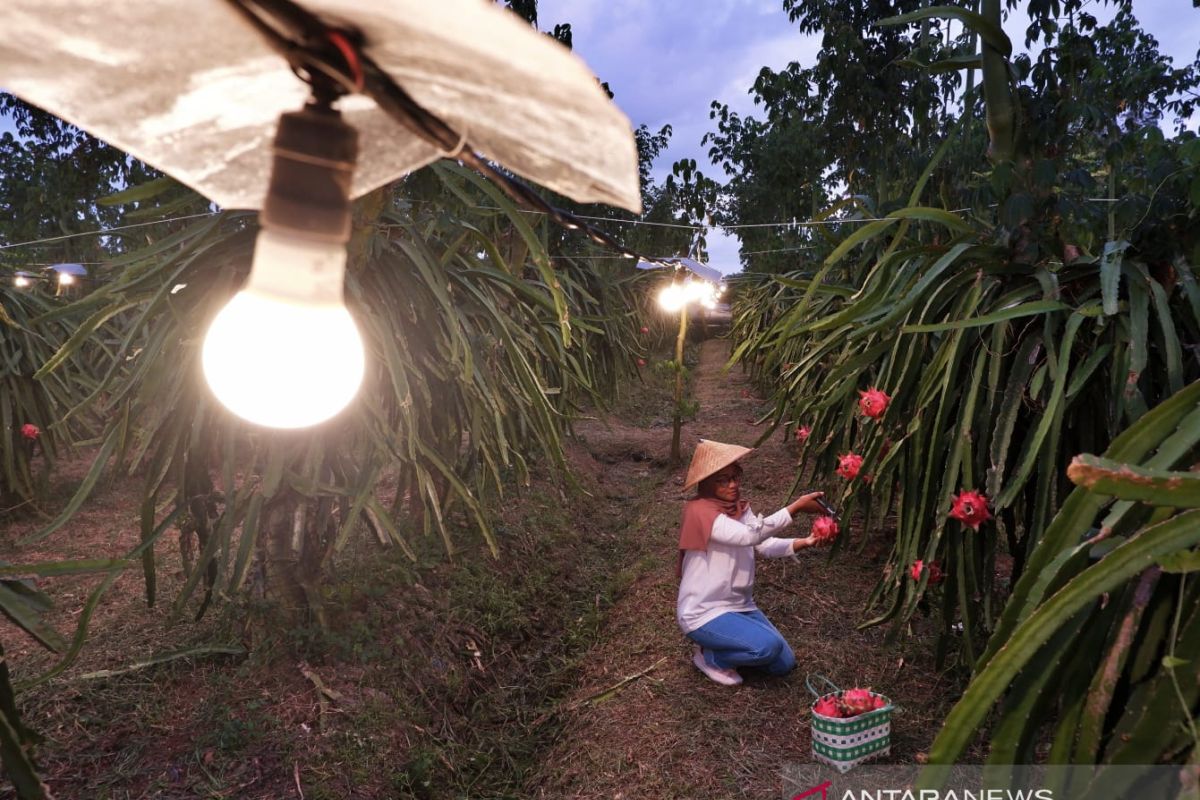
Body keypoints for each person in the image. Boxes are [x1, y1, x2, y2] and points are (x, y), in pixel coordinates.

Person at [676, 439, 828, 686]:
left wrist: (806, 541)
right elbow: (748, 536)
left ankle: (734, 645)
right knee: (767, 648)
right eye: (723, 480)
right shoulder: (700, 511)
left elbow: (763, 545)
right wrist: (795, 508)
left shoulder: (737, 508)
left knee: (784, 664)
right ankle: (711, 657)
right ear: (706, 483)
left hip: (740, 605)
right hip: (704, 612)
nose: (733, 485)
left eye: (735, 476)